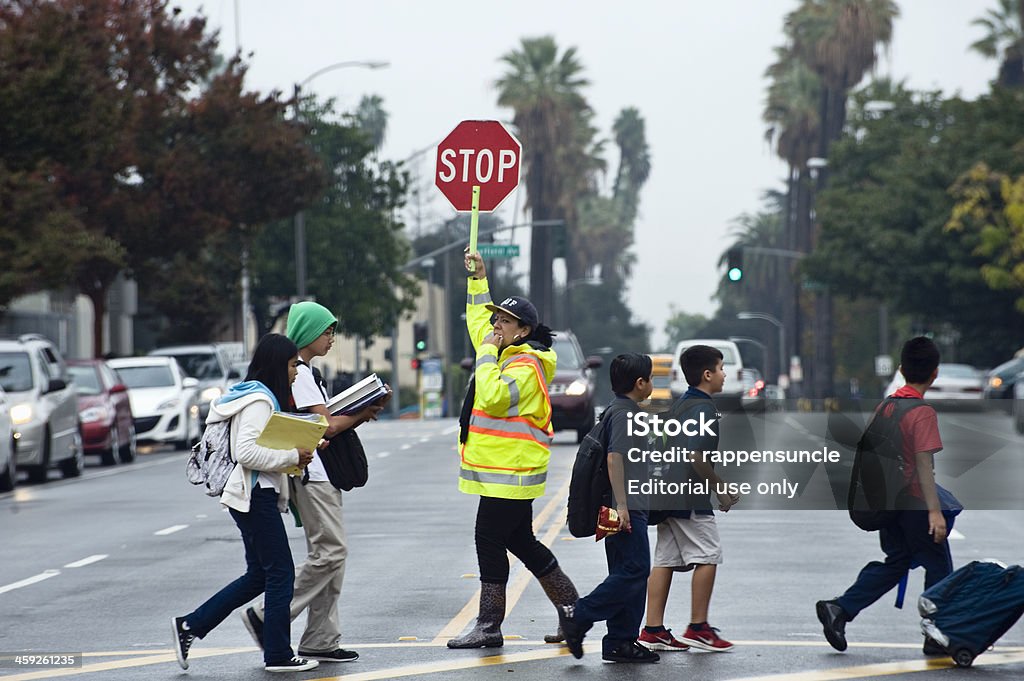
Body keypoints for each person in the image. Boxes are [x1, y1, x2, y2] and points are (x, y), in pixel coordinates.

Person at [446, 251, 579, 649]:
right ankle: (574, 611)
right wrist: (478, 279)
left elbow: (495, 397)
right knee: (522, 542)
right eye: (496, 319)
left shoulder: (525, 365)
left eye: (503, 321)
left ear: (523, 331)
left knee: (488, 539)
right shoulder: (508, 353)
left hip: (511, 473)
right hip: (504, 472)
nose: (494, 326)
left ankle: (489, 626)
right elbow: (475, 319)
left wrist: (485, 353)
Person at [242, 301, 386, 664]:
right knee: (331, 553)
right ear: (307, 333)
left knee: (332, 558)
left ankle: (321, 639)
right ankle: (269, 615)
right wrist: (362, 411)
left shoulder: (305, 372)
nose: (332, 338)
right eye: (327, 331)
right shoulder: (301, 374)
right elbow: (325, 426)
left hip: (319, 473)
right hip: (313, 474)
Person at [172, 333, 318, 673]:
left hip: (252, 495)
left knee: (259, 575)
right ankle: (278, 654)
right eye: (293, 364)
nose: (297, 371)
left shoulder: (253, 393)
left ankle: (190, 626)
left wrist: (297, 454)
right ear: (278, 364)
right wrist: (291, 455)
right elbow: (246, 451)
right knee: (281, 571)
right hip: (254, 497)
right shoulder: (259, 400)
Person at [817, 336, 952, 656]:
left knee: (898, 562)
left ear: (902, 369)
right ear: (935, 373)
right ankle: (936, 634)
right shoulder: (922, 412)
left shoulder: (887, 405)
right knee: (940, 566)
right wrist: (935, 512)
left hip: (887, 503)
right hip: (914, 504)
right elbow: (923, 464)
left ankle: (840, 608)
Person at [559, 353, 660, 663]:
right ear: (640, 383)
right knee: (636, 569)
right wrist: (624, 506)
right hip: (624, 507)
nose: (652, 384)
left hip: (621, 506)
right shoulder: (625, 414)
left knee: (625, 572)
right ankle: (579, 614)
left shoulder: (617, 410)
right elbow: (615, 459)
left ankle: (620, 641)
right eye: (650, 378)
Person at [639, 344, 738, 653]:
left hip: (666, 493)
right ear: (707, 375)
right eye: (721, 369)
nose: (724, 374)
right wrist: (720, 487)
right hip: (688, 497)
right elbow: (694, 454)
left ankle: (652, 629)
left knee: (666, 559)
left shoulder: (682, 404)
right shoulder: (704, 409)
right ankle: (698, 627)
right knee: (709, 555)